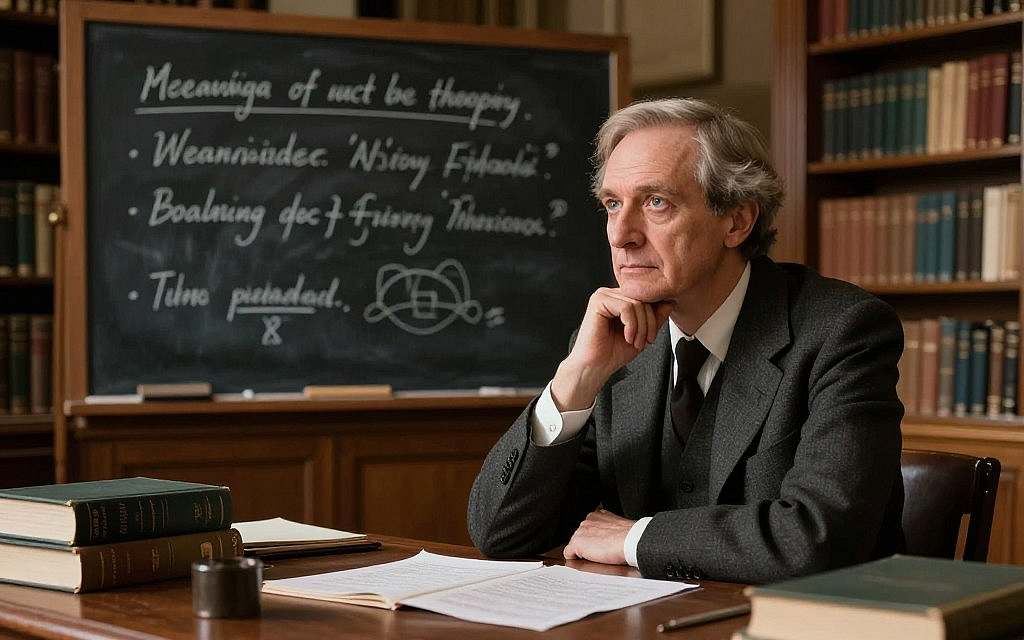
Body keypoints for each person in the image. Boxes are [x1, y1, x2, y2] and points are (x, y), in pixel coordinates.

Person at [467, 98, 905, 584]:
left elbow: (819, 538)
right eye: (613, 204)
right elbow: (500, 533)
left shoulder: (842, 331)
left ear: (736, 221)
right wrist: (575, 379)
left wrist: (635, 538)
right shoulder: (610, 344)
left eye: (656, 202)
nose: (622, 234)